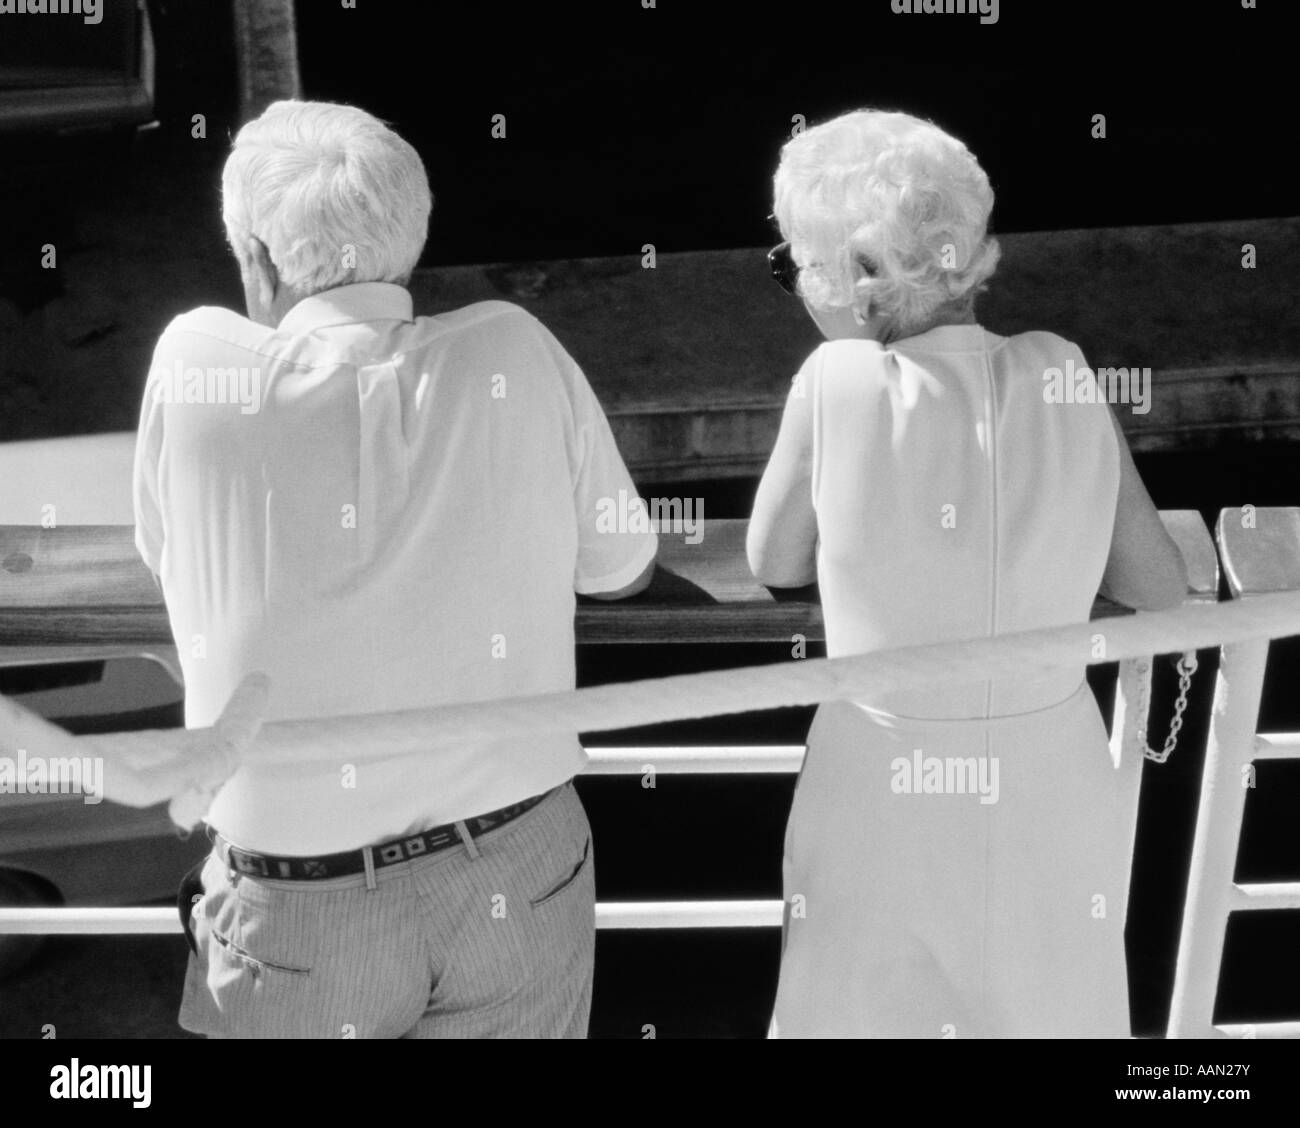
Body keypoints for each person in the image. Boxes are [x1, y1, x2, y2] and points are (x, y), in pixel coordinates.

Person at [132, 100, 657, 1038]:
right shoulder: (513, 345)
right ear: (411, 238)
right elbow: (622, 566)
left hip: (302, 909)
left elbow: (162, 554)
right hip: (516, 868)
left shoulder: (192, 360)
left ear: (255, 259)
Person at [748, 109, 1187, 1037]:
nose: (791, 284)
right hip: (1048, 781)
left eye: (793, 263)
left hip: (882, 784)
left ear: (862, 278)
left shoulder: (834, 384)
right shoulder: (1062, 370)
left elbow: (772, 560)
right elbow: (1159, 586)